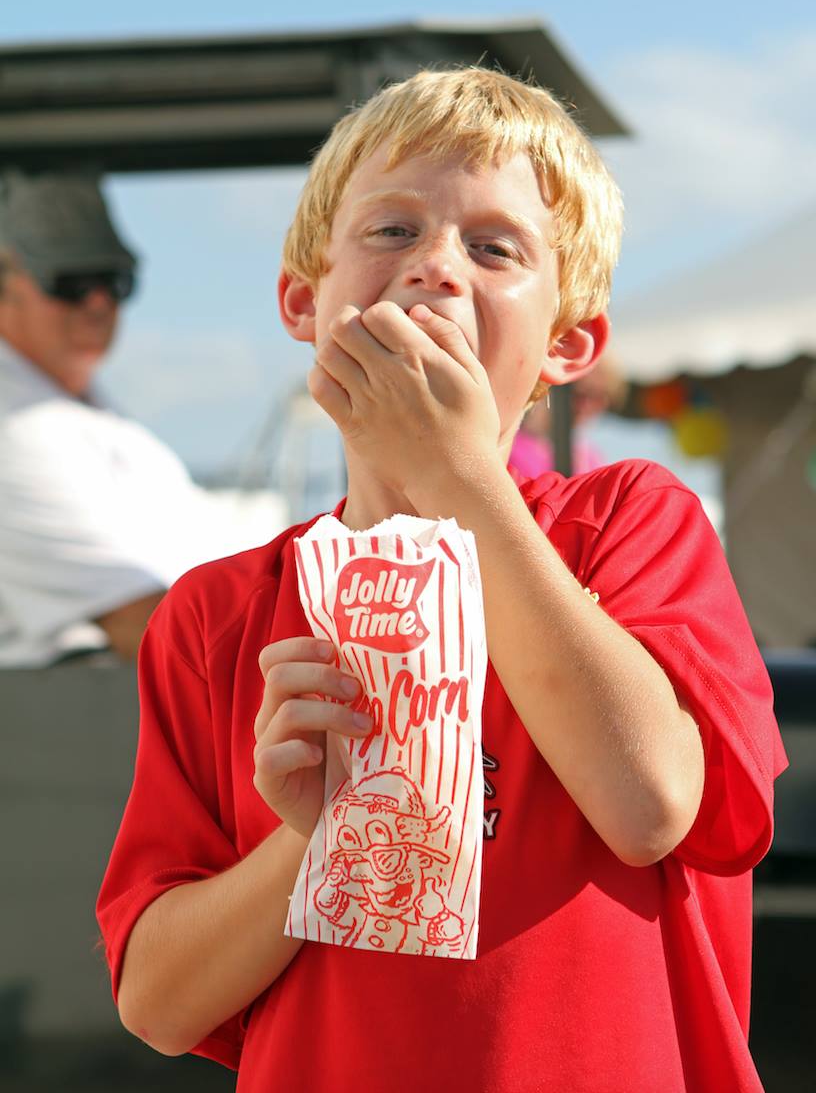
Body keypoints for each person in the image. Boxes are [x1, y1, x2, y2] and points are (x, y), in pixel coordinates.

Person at [96, 70, 786, 1092]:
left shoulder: (627, 525)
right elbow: (155, 1002)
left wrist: (459, 475)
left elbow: (650, 804)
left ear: (568, 347)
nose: (435, 270)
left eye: (495, 247)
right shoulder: (215, 612)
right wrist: (317, 834)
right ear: (303, 300)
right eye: (390, 231)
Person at [0, 170, 286, 666]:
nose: (97, 303)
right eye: (70, 283)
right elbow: (144, 625)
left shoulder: (91, 415)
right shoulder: (16, 434)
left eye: (114, 282)